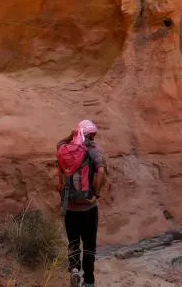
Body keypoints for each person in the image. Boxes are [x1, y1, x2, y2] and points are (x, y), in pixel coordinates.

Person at [57, 119, 107, 287]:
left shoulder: (64, 149)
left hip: (70, 207)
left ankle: (74, 270)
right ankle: (89, 281)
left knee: (73, 242)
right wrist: (97, 194)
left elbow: (59, 143)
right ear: (92, 134)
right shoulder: (94, 150)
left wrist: (71, 135)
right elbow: (101, 172)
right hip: (88, 207)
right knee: (89, 243)